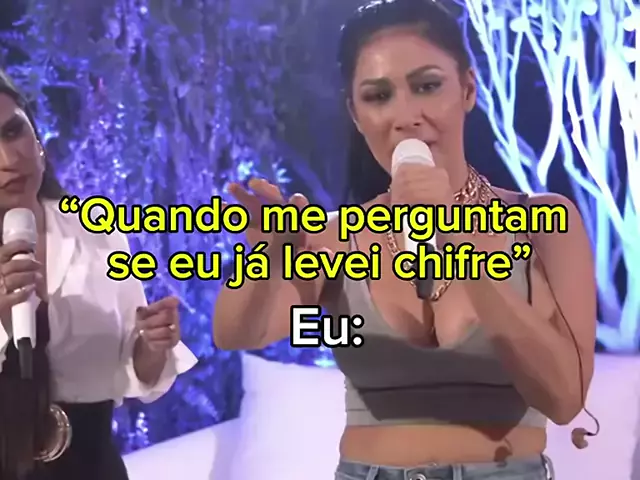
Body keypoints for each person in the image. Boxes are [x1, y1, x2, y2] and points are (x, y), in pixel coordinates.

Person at [213, 0, 597, 478]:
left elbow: (564, 398)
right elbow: (236, 333)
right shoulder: (336, 236)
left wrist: (454, 236)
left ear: (468, 89)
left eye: (427, 86)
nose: (405, 115)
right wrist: (269, 251)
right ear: (356, 114)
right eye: (378, 96)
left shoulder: (544, 221)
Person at [0, 69, 198, 480]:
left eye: (12, 132)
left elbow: (136, 370)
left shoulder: (97, 232)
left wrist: (153, 344)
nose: (8, 158)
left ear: (36, 136)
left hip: (92, 465)